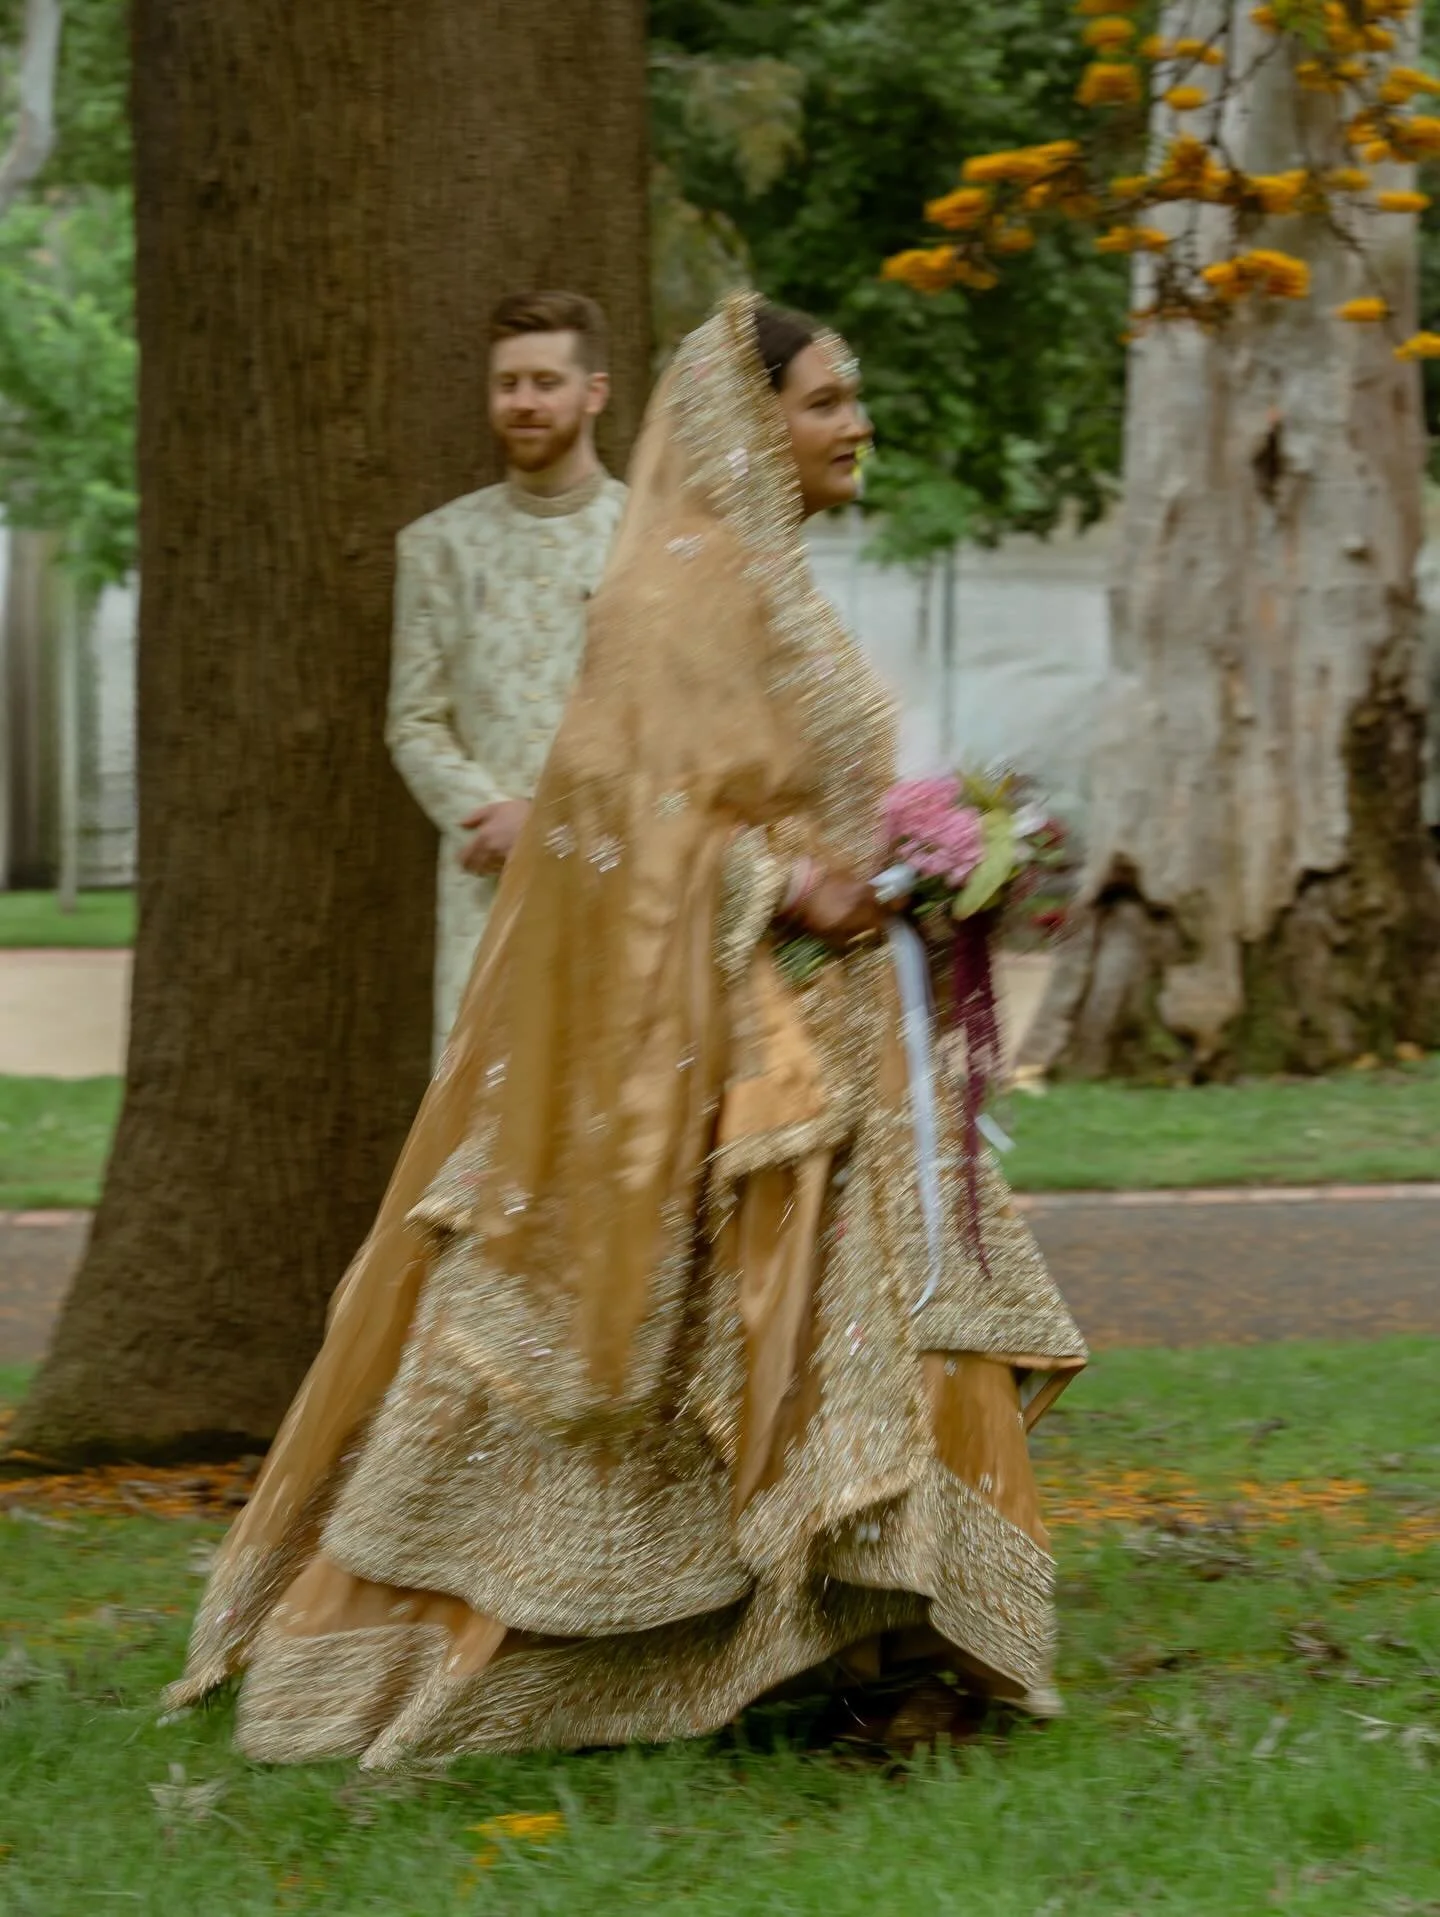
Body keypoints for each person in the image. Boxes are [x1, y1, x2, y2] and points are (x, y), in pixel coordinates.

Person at [166, 292, 1087, 1765]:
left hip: (846, 1030)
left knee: (898, 1325)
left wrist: (932, 851)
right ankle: (528, 1648)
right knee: (714, 1346)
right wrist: (782, 881)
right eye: (827, 401)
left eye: (852, 399)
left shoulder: (772, 578)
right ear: (749, 425)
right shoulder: (676, 593)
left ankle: (897, 1649)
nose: (857, 425)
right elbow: (607, 815)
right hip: (734, 1043)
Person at [387, 290, 627, 1061]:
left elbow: (673, 723)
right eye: (508, 383)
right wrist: (491, 814)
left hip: (619, 876)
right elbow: (414, 720)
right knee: (482, 1100)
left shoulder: (649, 541)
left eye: (546, 383)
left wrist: (550, 818)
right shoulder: (438, 547)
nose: (524, 402)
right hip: (484, 889)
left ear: (594, 392)